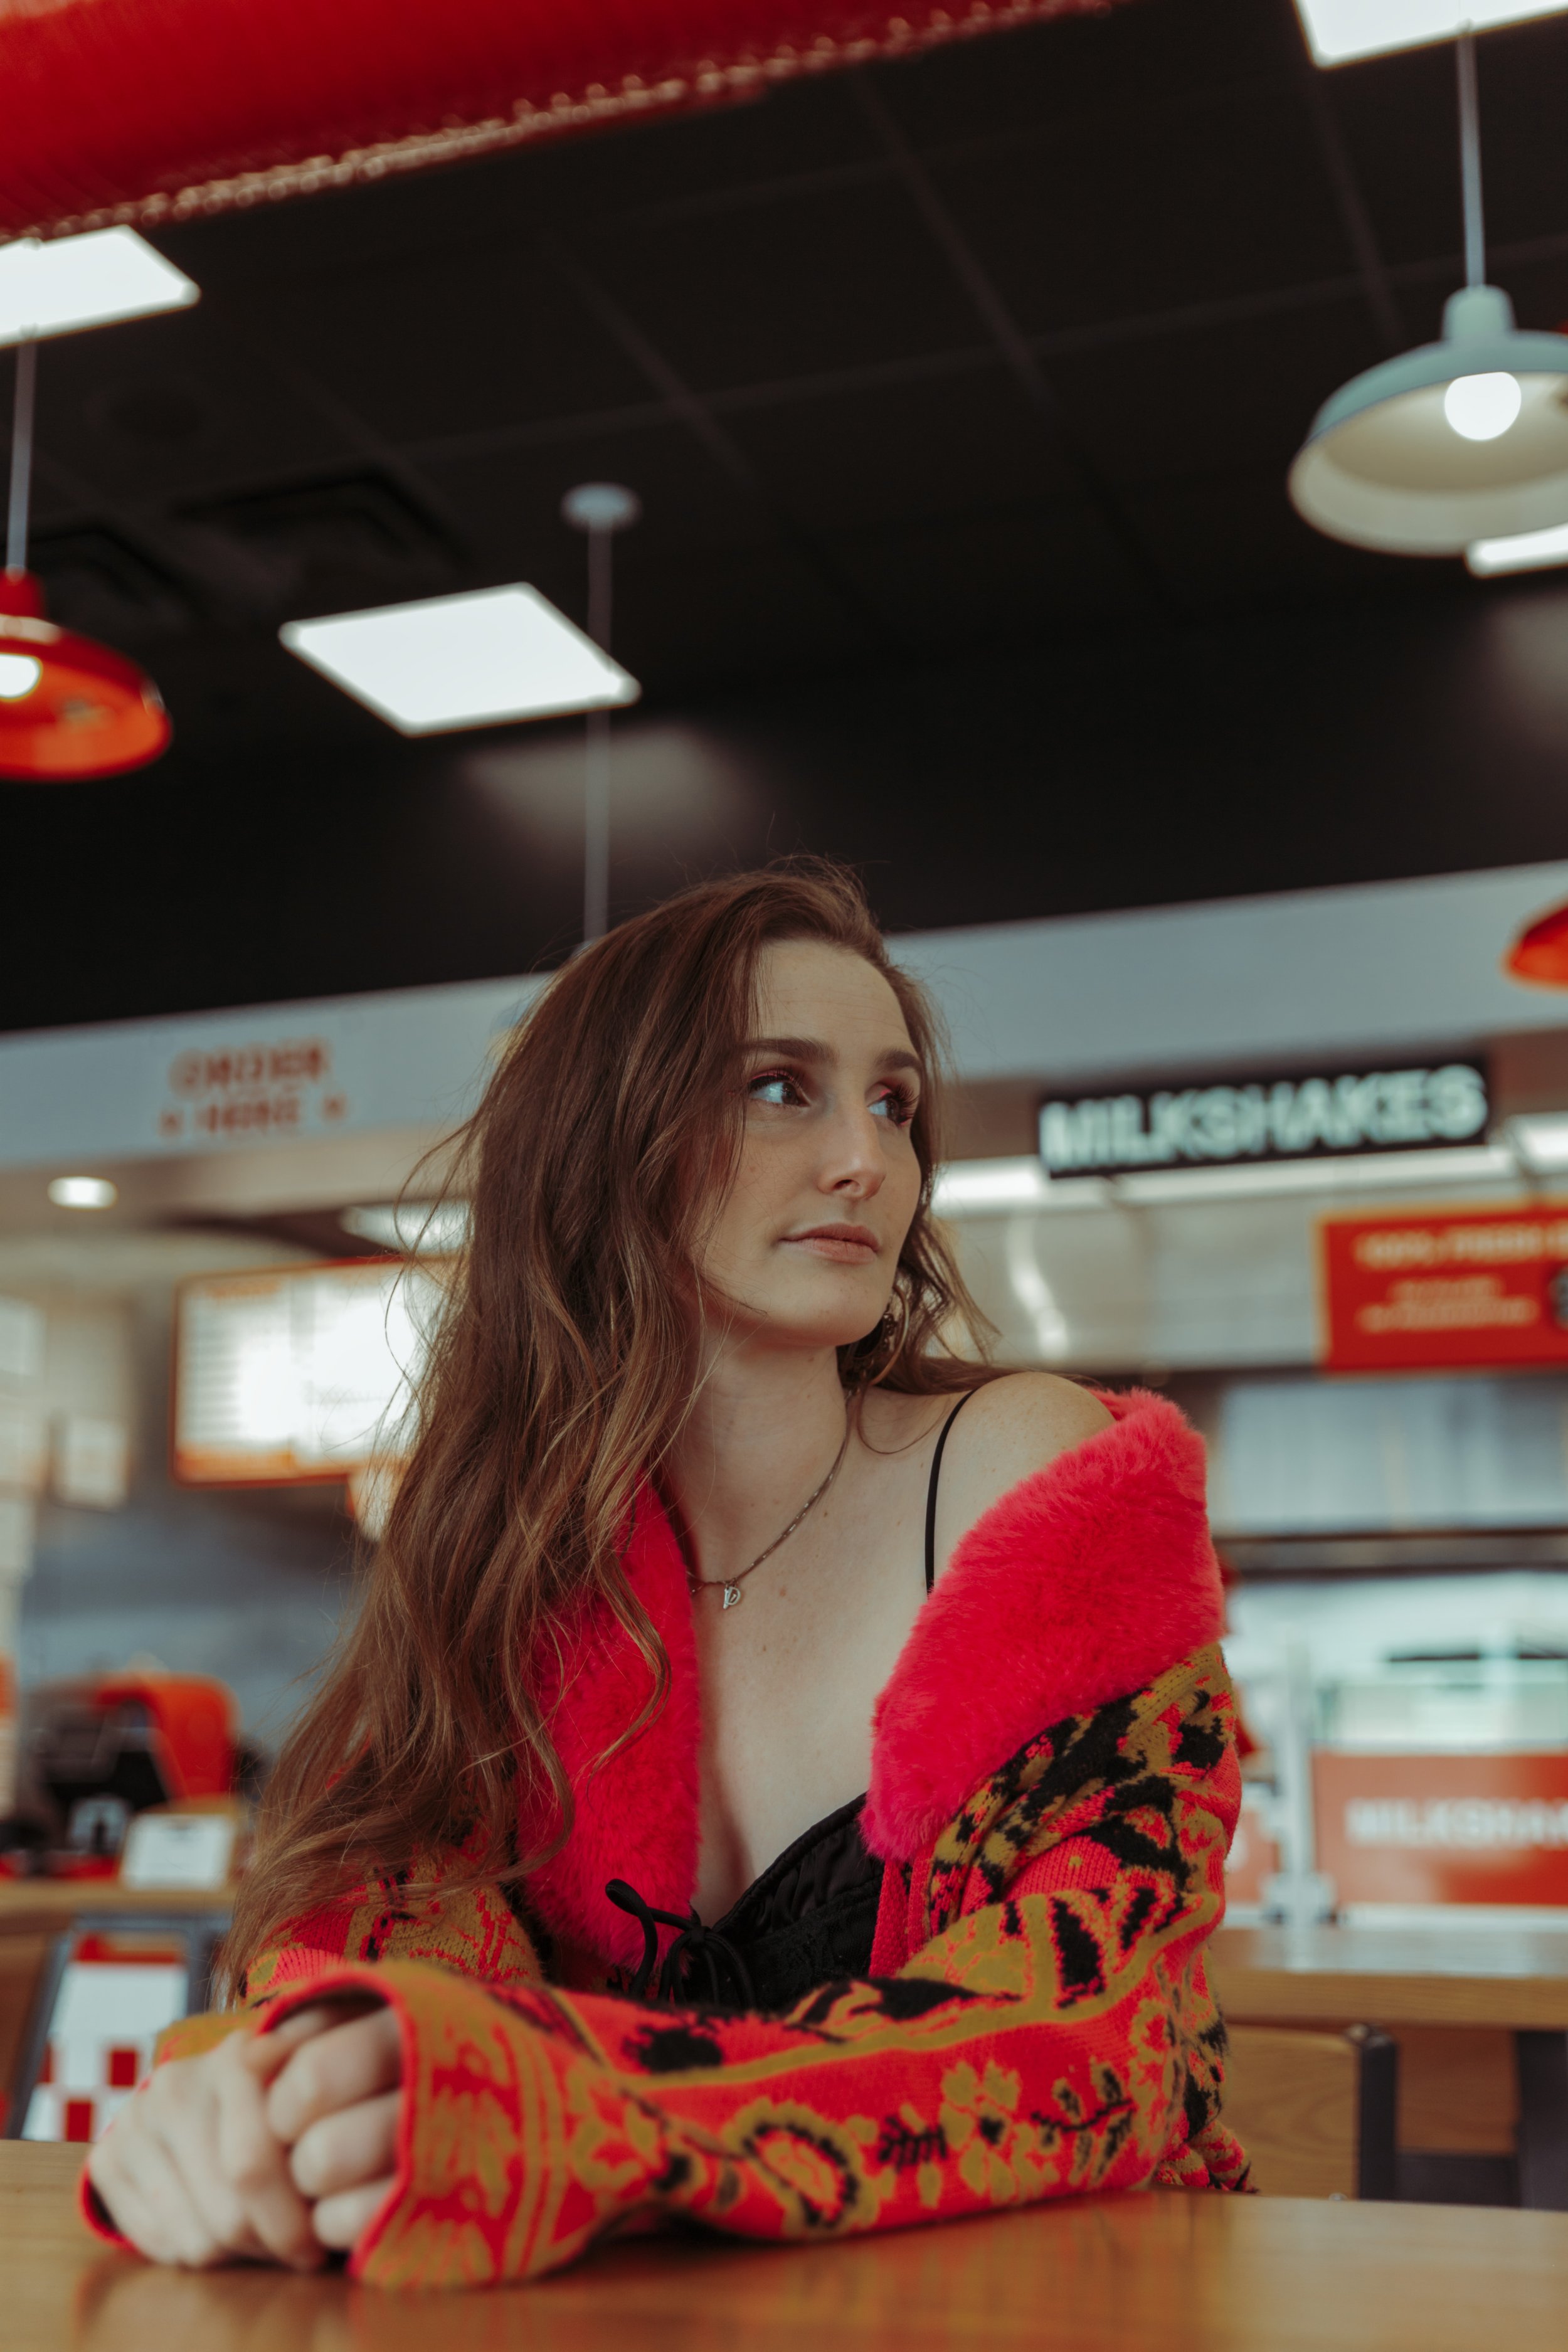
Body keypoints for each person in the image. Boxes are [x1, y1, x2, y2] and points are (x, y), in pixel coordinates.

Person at [85, 862, 1248, 2287]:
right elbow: (366, 1962)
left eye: (892, 1104)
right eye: (779, 1089)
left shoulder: (1024, 1471)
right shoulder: (508, 1562)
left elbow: (1092, 2039)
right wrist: (246, 2103)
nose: (866, 1163)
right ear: (602, 1143)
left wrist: (546, 2109)